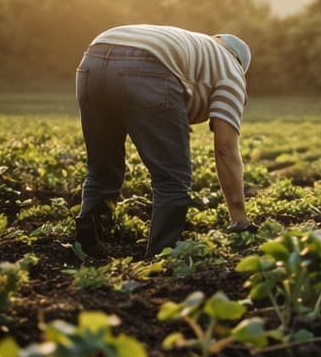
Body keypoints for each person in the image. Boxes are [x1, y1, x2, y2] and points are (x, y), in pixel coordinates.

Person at [75, 24, 254, 257]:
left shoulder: (197, 46)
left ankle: (86, 247)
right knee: (172, 178)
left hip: (94, 56)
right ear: (241, 62)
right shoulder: (232, 70)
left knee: (102, 167)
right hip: (149, 65)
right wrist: (239, 218)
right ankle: (161, 257)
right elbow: (225, 148)